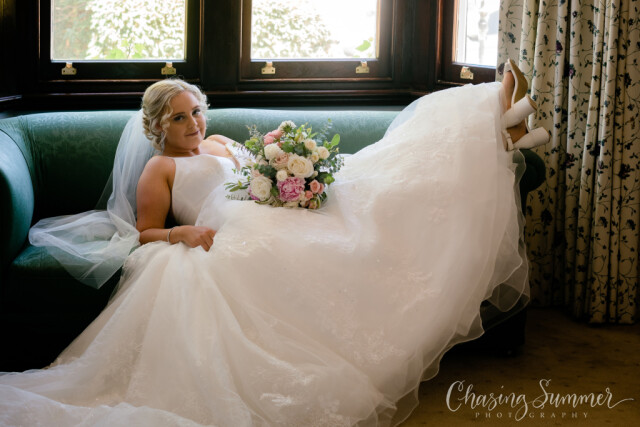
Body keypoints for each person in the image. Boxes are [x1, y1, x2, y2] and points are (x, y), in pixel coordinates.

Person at [0, 63, 545, 426]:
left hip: (271, 210)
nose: (193, 123)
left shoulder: (218, 140)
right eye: (179, 118)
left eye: (196, 111)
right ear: (157, 127)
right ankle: (502, 133)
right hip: (234, 228)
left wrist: (290, 170)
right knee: (350, 234)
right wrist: (178, 232)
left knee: (379, 182)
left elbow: (261, 173)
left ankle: (493, 125)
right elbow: (145, 231)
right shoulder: (159, 168)